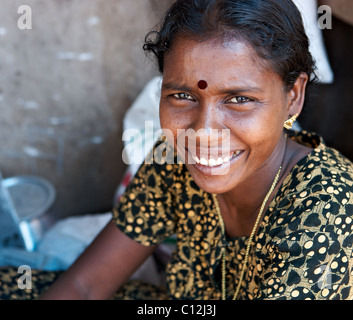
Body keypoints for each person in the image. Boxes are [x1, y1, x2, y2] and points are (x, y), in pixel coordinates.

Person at [2, 0, 353, 300]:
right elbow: (84, 287)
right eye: (183, 96)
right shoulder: (173, 160)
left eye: (240, 99)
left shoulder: (326, 217)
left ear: (293, 97)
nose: (202, 132)